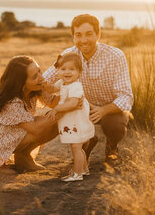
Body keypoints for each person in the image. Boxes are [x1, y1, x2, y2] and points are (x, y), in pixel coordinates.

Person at [43, 14, 133, 163]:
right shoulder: (68, 55)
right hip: (80, 107)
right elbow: (47, 79)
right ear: (73, 37)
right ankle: (87, 142)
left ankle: (112, 147)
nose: (83, 40)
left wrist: (104, 110)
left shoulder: (116, 56)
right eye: (78, 35)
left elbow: (126, 96)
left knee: (115, 125)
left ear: (98, 34)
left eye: (89, 34)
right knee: (57, 113)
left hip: (110, 109)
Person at [0, 55, 79, 173]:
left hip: (15, 128)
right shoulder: (11, 100)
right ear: (22, 83)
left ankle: (23, 157)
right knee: (49, 122)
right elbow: (35, 129)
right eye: (35, 77)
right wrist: (64, 110)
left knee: (55, 122)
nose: (41, 78)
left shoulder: (36, 86)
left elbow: (51, 101)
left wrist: (73, 95)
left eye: (39, 71)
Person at [45, 53, 95, 182]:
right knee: (77, 146)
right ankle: (84, 169)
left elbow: (73, 103)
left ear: (79, 72)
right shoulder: (62, 82)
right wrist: (43, 84)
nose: (67, 72)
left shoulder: (76, 86)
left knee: (76, 147)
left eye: (72, 69)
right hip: (72, 122)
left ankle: (77, 173)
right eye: (63, 69)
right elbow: (51, 89)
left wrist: (56, 109)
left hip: (77, 121)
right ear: (58, 71)